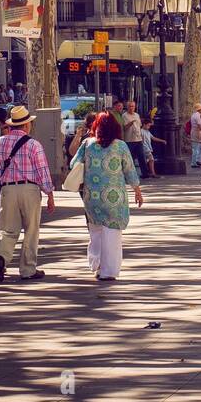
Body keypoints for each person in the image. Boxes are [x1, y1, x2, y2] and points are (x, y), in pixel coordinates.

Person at [0, 105, 56, 282]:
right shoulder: (34, 145)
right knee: (31, 230)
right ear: (25, 126)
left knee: (8, 230)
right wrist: (50, 194)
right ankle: (27, 269)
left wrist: (3, 177)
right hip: (30, 190)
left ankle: (0, 258)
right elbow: (42, 171)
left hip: (7, 189)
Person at [70, 112, 143, 281]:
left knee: (95, 230)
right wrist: (137, 191)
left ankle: (97, 264)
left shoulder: (88, 144)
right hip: (114, 198)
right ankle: (108, 271)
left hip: (92, 196)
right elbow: (130, 171)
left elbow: (74, 163)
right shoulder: (121, 146)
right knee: (112, 233)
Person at [120, 100, 145, 178]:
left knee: (142, 157)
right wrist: (130, 123)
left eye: (133, 106)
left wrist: (142, 137)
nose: (131, 108)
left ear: (135, 107)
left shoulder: (137, 115)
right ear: (127, 107)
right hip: (129, 140)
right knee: (129, 158)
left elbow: (139, 127)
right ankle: (129, 174)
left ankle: (145, 173)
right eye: (130, 106)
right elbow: (124, 128)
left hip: (138, 139)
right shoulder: (124, 116)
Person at [189, 102, 201, 169]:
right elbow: (200, 126)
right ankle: (194, 162)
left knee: (200, 147)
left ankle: (197, 160)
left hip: (195, 132)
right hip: (196, 133)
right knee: (196, 148)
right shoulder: (197, 116)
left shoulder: (193, 115)